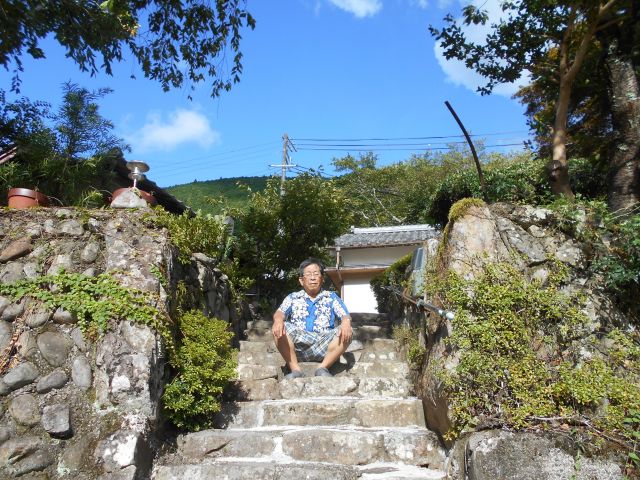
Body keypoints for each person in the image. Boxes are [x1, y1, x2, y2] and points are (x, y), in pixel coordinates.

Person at [272, 258, 353, 378]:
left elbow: (344, 315)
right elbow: (280, 312)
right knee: (280, 326)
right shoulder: (293, 297)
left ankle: (323, 368)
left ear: (322, 279)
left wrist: (346, 322)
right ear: (301, 280)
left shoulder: (331, 297)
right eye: (309, 274)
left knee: (347, 329)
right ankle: (295, 370)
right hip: (299, 347)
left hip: (324, 345)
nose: (313, 278)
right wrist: (278, 320)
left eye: (316, 274)